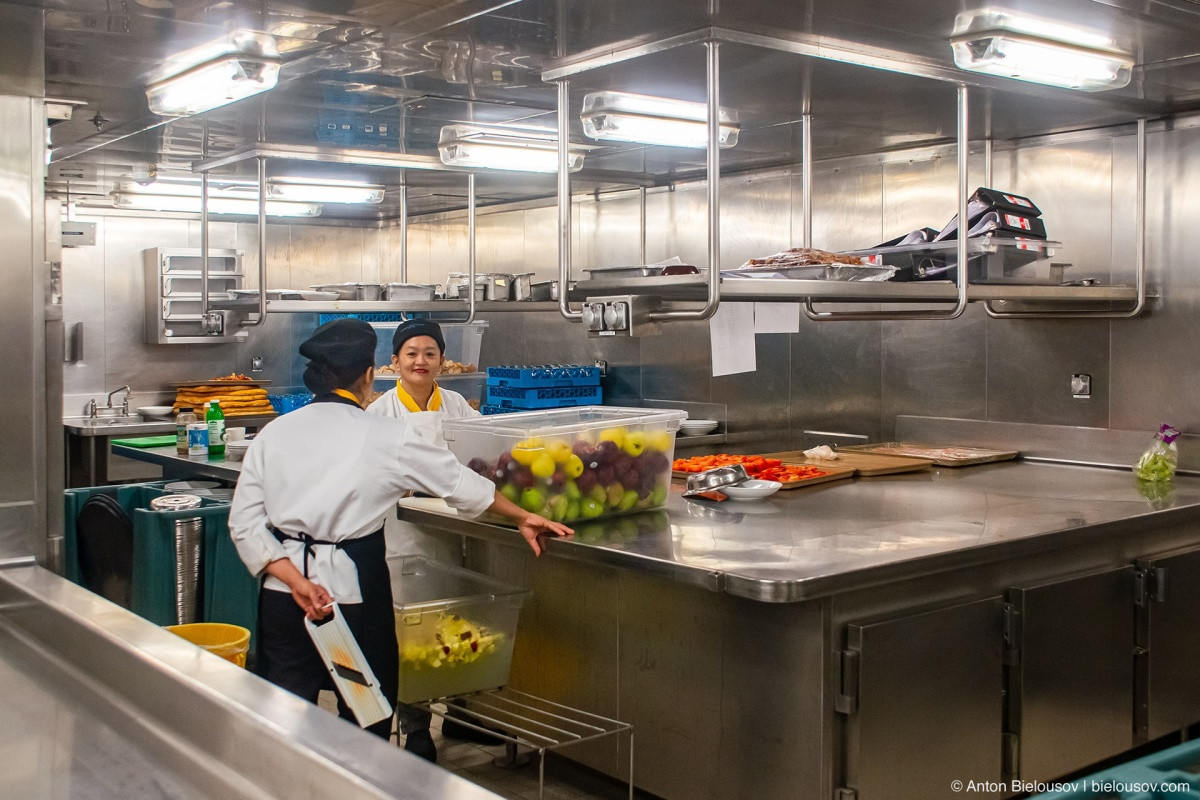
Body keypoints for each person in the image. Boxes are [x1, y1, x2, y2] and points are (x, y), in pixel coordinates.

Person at [228, 319, 571, 755]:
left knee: (288, 714)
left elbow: (244, 525)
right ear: (371, 374)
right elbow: (461, 485)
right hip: (352, 597)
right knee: (365, 709)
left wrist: (296, 582)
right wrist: (523, 516)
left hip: (284, 596)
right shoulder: (387, 435)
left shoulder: (274, 433)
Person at [365, 318, 491, 758]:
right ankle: (415, 724)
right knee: (413, 631)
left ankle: (459, 715)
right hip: (406, 537)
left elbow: (482, 453)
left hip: (457, 531)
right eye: (411, 354)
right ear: (394, 362)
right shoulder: (379, 413)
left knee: (459, 621)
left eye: (430, 353)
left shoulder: (457, 404)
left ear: (441, 361)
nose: (421, 361)